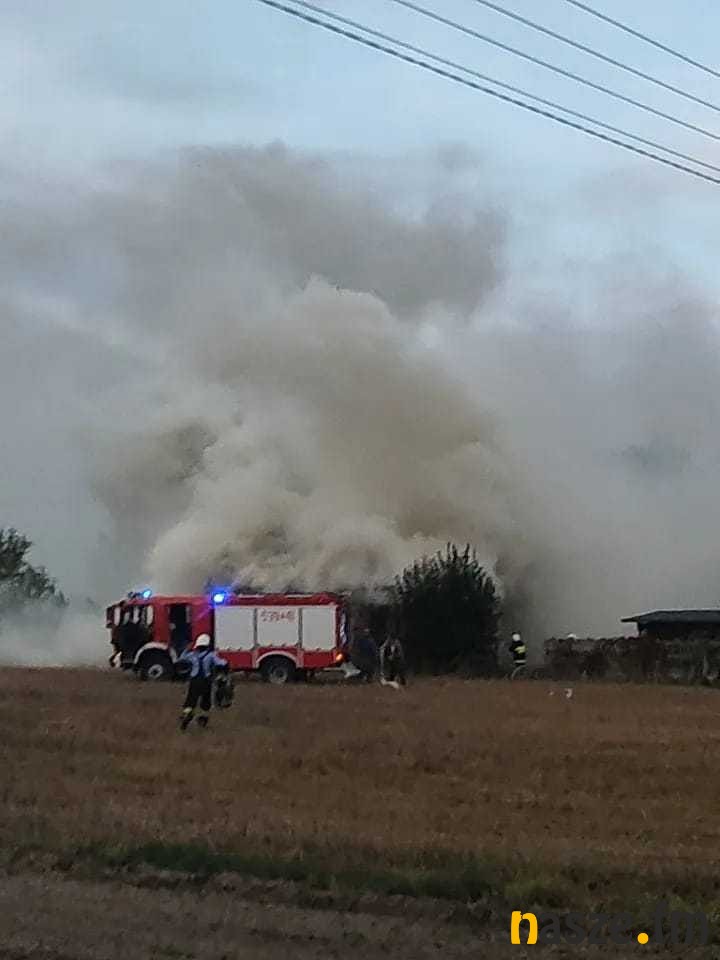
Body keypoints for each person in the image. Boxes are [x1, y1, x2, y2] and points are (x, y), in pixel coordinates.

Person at [178, 634, 228, 731]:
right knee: (205, 702)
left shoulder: (192, 655)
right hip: (206, 681)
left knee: (191, 701)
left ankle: (187, 713)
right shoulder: (211, 655)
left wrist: (187, 649)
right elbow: (222, 663)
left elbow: (181, 658)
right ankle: (203, 718)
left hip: (194, 681)